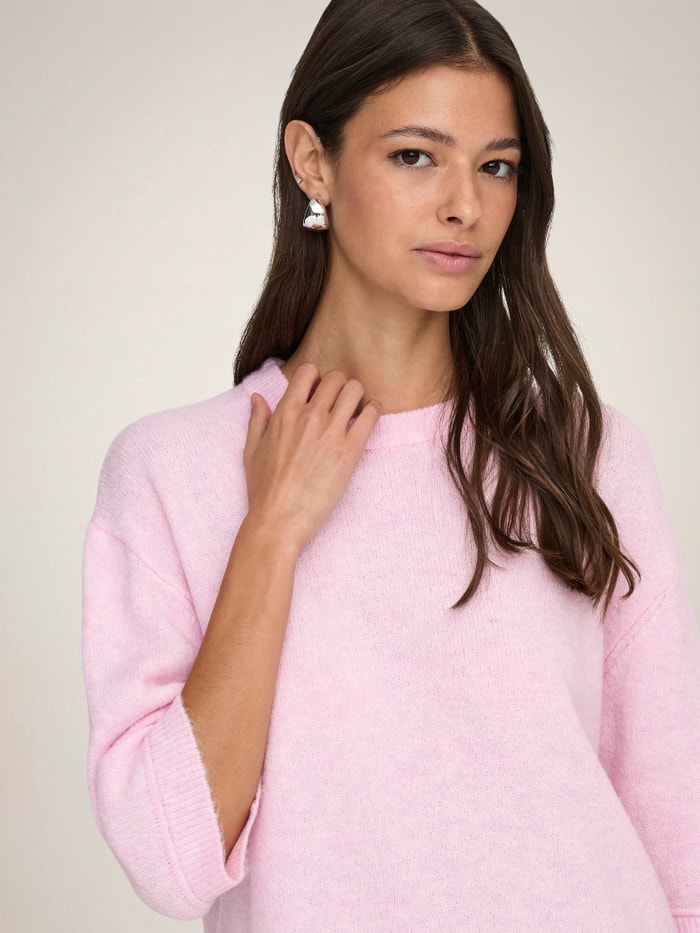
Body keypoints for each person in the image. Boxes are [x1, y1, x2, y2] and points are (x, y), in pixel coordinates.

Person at [82, 0, 700, 929]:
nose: (465, 205)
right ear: (313, 160)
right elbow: (170, 862)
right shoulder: (171, 472)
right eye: (416, 155)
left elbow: (674, 810)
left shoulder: (584, 452)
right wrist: (272, 534)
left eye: (496, 166)